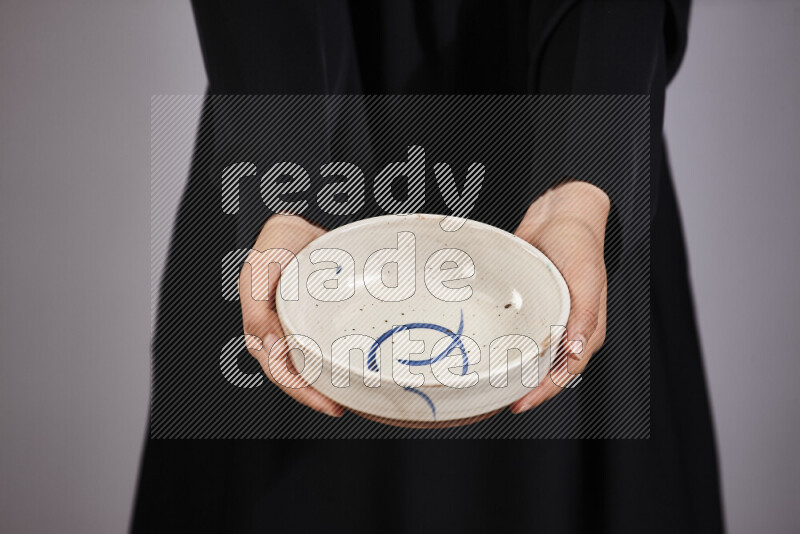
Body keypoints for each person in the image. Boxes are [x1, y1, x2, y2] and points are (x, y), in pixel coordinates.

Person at [133, 1, 725, 532]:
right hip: (286, 161)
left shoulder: (580, 201)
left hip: (571, 199)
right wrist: (285, 180)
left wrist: (584, 183)